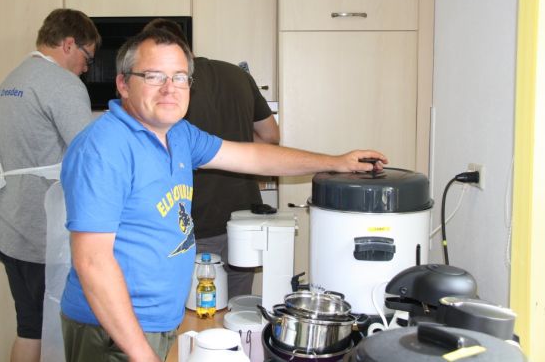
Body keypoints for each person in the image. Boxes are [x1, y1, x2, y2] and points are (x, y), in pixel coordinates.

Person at [59, 28, 387, 362]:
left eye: (179, 77)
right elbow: (92, 262)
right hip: (111, 328)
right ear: (124, 83)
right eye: (154, 76)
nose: (169, 88)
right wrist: (143, 355)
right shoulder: (103, 148)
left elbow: (254, 157)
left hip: (155, 321)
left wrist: (336, 162)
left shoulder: (179, 134)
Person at [0, 8, 101, 362]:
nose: (86, 68)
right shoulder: (63, 84)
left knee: (29, 328)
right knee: (56, 332)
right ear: (68, 44)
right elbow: (89, 158)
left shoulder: (12, 79)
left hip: (8, 224)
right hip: (40, 232)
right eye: (87, 57)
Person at [143, 18, 280, 299]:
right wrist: (234, 149)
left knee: (197, 308)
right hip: (244, 215)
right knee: (239, 306)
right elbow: (270, 136)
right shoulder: (237, 75)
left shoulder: (169, 91)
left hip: (196, 221)